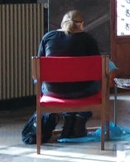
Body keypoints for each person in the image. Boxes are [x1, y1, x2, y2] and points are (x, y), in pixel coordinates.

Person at [36, 10, 101, 140]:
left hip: (53, 91)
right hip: (82, 91)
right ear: (82, 24)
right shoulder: (88, 39)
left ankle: (68, 119)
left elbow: (39, 65)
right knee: (96, 83)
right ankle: (80, 120)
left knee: (56, 83)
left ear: (62, 23)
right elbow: (97, 67)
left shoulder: (48, 37)